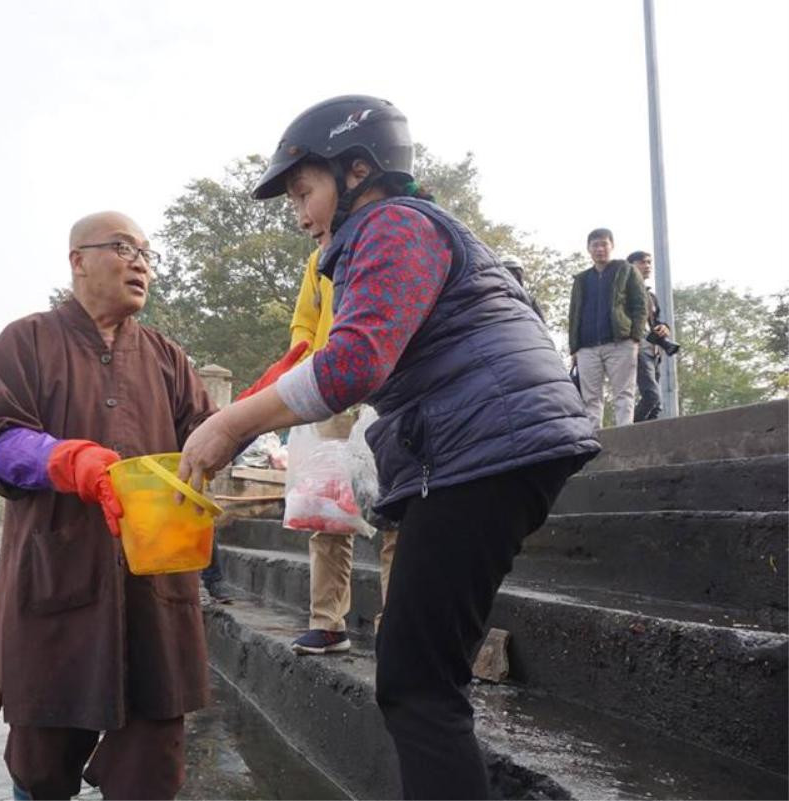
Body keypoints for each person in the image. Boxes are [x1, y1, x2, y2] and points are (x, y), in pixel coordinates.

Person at [176, 95, 600, 799]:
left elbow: (353, 363)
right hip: (488, 449)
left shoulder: (393, 223)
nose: (299, 214)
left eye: (304, 191)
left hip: (483, 453)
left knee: (415, 682)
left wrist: (232, 422)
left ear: (358, 170)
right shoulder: (399, 232)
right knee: (420, 672)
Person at [0, 211, 216, 800]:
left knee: (153, 766)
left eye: (148, 254)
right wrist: (70, 461)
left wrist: (258, 410)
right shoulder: (25, 342)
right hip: (57, 583)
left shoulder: (167, 358)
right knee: (40, 765)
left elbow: (209, 440)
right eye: (124, 247)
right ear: (78, 260)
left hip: (153, 590)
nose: (141, 262)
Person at [282, 247, 398, 655]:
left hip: (390, 391)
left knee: (395, 513)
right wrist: (308, 363)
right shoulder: (320, 258)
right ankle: (328, 623)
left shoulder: (390, 239)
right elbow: (304, 321)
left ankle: (398, 627)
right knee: (326, 509)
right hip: (332, 389)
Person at [568, 228, 648, 428]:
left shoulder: (626, 270)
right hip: (587, 346)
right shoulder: (582, 279)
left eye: (604, 244)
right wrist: (574, 347)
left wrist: (635, 338)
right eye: (595, 245)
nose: (600, 249)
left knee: (623, 393)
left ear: (612, 246)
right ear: (588, 249)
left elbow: (640, 305)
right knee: (590, 398)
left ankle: (625, 435)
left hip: (620, 342)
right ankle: (595, 441)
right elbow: (574, 313)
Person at [627, 250, 672, 421]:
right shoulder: (623, 293)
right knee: (652, 396)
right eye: (642, 262)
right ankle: (627, 436)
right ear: (631, 266)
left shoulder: (651, 296)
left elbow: (656, 321)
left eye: (649, 262)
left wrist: (664, 328)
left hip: (654, 351)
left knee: (657, 406)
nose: (647, 266)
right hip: (636, 348)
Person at [501, 255, 546, 323]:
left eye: (514, 274)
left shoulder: (530, 300)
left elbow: (542, 324)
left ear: (519, 276)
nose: (511, 277)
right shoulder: (490, 297)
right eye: (507, 274)